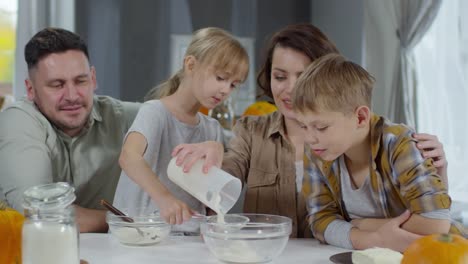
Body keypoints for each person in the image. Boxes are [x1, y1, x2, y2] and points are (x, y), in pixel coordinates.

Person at [172, 24, 449, 238]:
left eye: (303, 77)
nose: (290, 89)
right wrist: (215, 154)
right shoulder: (251, 130)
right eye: (280, 76)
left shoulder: (361, 139)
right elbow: (221, 185)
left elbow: (426, 215)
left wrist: (439, 173)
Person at [293, 53, 467, 252]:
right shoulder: (317, 150)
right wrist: (375, 240)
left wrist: (361, 224)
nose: (309, 138)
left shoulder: (400, 143)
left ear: (360, 118)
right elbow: (320, 222)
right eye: (302, 126)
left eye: (321, 127)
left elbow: (435, 225)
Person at [0, 28, 141, 232]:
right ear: (31, 90)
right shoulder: (16, 121)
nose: (72, 95)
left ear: (93, 78)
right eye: (57, 85)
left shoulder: (122, 116)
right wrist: (126, 221)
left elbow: (172, 116)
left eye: (80, 81)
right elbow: (42, 215)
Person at [112, 27, 249, 231]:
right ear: (191, 64)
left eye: (233, 85)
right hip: (137, 234)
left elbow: (210, 192)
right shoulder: (155, 112)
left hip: (186, 240)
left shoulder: (212, 129)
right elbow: (128, 157)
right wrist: (165, 198)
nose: (225, 90)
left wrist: (213, 221)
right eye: (221, 78)